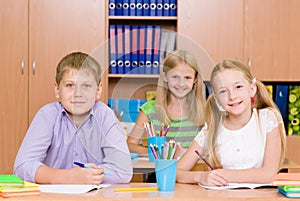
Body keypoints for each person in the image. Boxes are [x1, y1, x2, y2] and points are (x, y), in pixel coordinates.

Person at [14, 52, 132, 184]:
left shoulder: (105, 115)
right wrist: (66, 177)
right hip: (53, 197)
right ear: (57, 90)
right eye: (70, 85)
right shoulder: (47, 115)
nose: (78, 94)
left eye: (86, 86)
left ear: (98, 90)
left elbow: (123, 171)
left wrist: (87, 176)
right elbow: (22, 167)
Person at [176, 59, 286, 186]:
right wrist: (201, 177)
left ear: (252, 89)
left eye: (238, 87)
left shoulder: (268, 119)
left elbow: (269, 175)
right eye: (223, 91)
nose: (232, 96)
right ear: (216, 99)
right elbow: (177, 172)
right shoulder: (211, 130)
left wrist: (222, 174)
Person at [126, 50, 206, 156]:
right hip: (159, 171)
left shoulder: (206, 112)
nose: (181, 84)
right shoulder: (149, 109)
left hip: (195, 171)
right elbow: (130, 145)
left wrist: (188, 154)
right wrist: (155, 153)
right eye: (175, 77)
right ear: (165, 77)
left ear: (195, 79)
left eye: (187, 78)